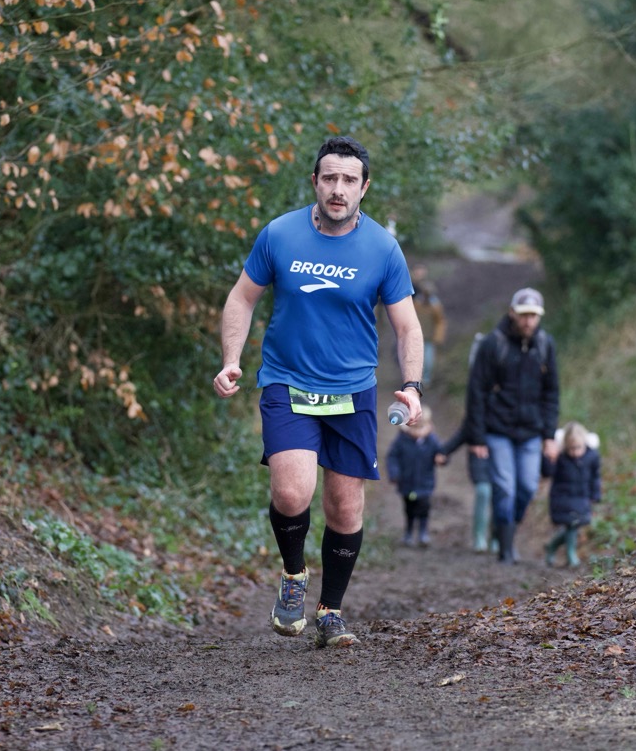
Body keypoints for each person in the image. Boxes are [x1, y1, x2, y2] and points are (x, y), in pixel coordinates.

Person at [212, 135, 425, 649]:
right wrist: (232, 359)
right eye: (329, 178)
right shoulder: (280, 234)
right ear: (315, 181)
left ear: (364, 188)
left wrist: (412, 386)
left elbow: (408, 327)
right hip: (287, 380)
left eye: (349, 180)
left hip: (353, 391)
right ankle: (293, 574)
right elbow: (241, 299)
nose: (338, 189)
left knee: (345, 509)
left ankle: (331, 612)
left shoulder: (383, 248)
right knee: (291, 492)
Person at [464, 287, 560, 564]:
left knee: (528, 487)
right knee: (505, 487)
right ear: (512, 313)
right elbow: (476, 392)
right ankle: (505, 550)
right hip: (498, 429)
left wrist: (549, 435)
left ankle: (504, 528)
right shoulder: (493, 344)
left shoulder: (545, 345)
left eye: (534, 316)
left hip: (531, 431)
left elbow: (552, 393)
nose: (529, 321)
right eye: (524, 315)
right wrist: (477, 437)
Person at [441, 333, 496, 553]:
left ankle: (497, 537)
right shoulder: (476, 404)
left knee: (502, 493)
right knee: (483, 490)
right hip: (479, 454)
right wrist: (444, 451)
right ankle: (479, 536)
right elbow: (465, 430)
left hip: (501, 450)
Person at [542, 422, 602, 568]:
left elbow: (595, 477)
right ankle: (571, 555)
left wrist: (595, 494)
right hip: (562, 497)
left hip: (582, 496)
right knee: (572, 524)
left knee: (575, 524)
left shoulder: (592, 457)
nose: (575, 452)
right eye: (571, 448)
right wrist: (548, 458)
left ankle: (552, 546)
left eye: (578, 448)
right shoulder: (561, 457)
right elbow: (547, 472)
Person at [385, 404, 445, 547]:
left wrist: (442, 458)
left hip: (425, 482)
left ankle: (423, 532)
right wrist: (394, 473)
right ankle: (409, 532)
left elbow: (441, 452)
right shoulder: (402, 439)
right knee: (409, 508)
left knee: (424, 507)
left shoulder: (431, 440)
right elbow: (392, 457)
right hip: (407, 482)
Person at [410, 264, 447, 388]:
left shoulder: (434, 305)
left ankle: (425, 378)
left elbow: (440, 321)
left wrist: (438, 337)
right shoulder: (417, 304)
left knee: (428, 359)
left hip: (429, 336)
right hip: (417, 335)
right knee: (416, 357)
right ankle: (416, 378)